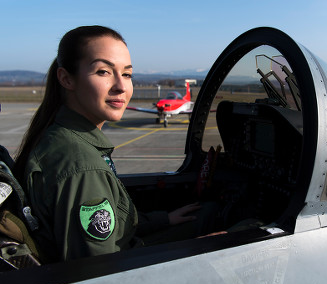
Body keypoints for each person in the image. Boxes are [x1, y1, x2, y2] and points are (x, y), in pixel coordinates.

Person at [14, 25, 218, 263]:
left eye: (127, 74)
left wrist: (164, 219)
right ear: (66, 79)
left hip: (128, 247)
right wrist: (196, 255)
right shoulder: (82, 168)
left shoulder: (61, 137)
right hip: (124, 267)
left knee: (207, 212)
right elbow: (98, 273)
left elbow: (113, 223)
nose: (121, 86)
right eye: (103, 72)